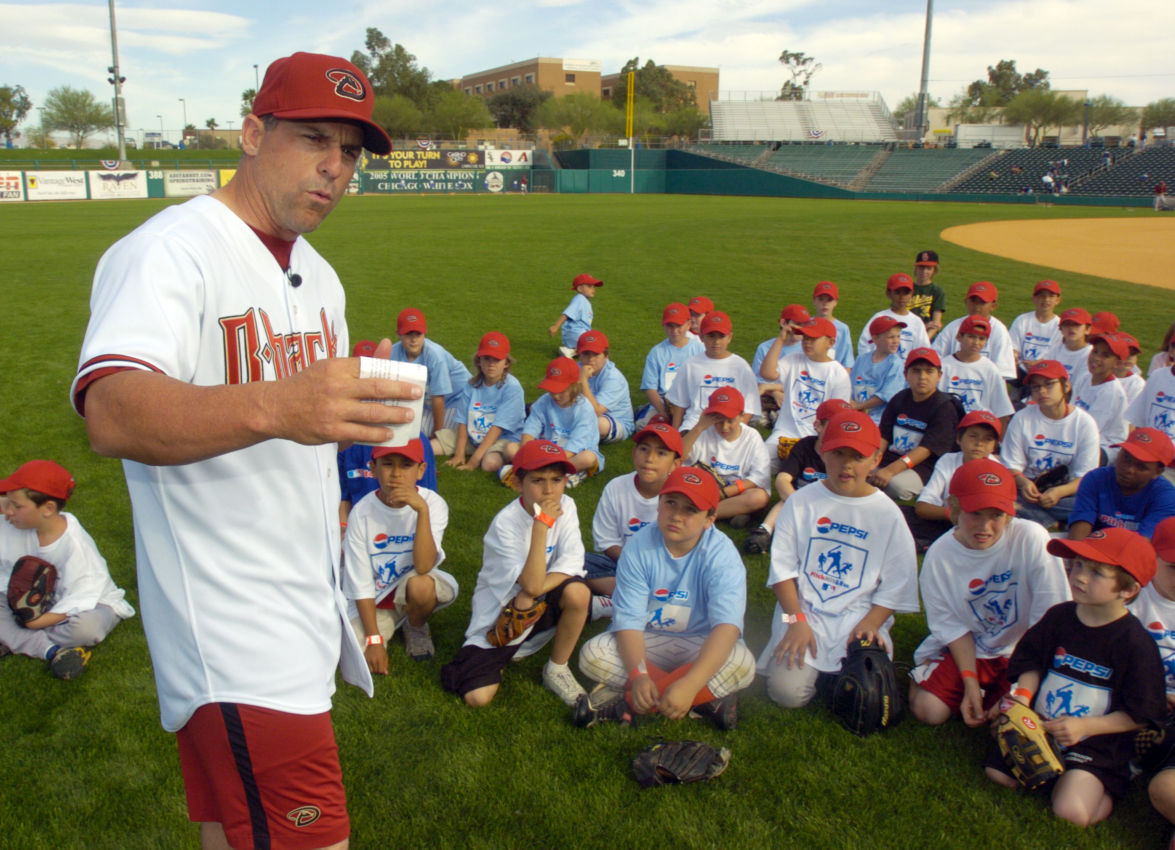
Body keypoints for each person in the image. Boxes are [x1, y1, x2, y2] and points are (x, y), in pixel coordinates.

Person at [71, 51, 414, 849]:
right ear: (253, 132)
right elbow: (112, 412)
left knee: (233, 837)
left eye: (352, 151)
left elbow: (302, 431)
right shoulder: (169, 250)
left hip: (297, 601)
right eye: (313, 138)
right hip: (230, 625)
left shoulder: (319, 276)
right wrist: (279, 403)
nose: (335, 167)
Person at [986, 529, 1165, 828]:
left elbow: (1143, 713)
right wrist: (1022, 700)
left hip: (1096, 742)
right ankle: (1065, 778)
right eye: (1078, 565)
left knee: (1071, 813)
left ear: (1128, 588)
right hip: (1041, 726)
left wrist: (1085, 726)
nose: (1079, 576)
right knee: (998, 775)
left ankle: (1109, 785)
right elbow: (1030, 660)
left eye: (1096, 572)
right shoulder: (1060, 616)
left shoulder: (1135, 643)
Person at [758, 410, 920, 709]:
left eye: (857, 457)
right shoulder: (800, 502)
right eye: (838, 454)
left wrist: (871, 623)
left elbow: (898, 582)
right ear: (823, 453)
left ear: (875, 459)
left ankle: (837, 674)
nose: (846, 465)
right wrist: (796, 621)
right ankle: (818, 672)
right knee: (787, 694)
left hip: (857, 612)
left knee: (864, 695)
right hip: (802, 608)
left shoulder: (887, 514)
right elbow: (782, 572)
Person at [574, 466, 756, 729]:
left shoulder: (722, 554)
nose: (677, 516)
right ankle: (705, 701)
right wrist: (638, 676)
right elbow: (629, 621)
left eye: (691, 510)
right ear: (659, 504)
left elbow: (726, 627)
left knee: (743, 663)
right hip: (648, 638)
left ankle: (625, 702)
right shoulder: (638, 546)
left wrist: (691, 682)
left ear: (710, 518)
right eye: (671, 503)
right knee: (592, 655)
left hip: (699, 640)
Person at [908, 458, 1070, 726]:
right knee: (929, 711)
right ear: (954, 509)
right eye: (975, 513)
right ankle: (926, 676)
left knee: (1009, 722)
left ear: (1010, 513)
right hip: (970, 648)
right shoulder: (940, 556)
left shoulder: (1031, 538)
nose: (985, 527)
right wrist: (970, 682)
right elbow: (953, 628)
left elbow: (1049, 621)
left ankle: (1000, 695)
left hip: (1021, 650)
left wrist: (1023, 691)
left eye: (996, 515)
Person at [440, 439, 591, 708]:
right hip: (502, 614)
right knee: (476, 697)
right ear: (518, 483)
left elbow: (570, 563)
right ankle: (515, 648)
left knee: (578, 592)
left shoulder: (567, 505)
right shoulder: (506, 523)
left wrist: (532, 593)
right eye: (537, 480)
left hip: (537, 598)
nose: (548, 491)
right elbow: (531, 583)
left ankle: (557, 668)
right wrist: (541, 526)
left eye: (556, 480)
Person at [0, 460, 135, 678]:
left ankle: (17, 639)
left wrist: (35, 623)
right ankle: (50, 650)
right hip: (24, 603)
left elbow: (81, 596)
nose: (9, 511)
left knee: (86, 629)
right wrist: (9, 502)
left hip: (84, 606)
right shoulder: (16, 521)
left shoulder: (75, 545)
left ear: (48, 509)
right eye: (8, 503)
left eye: (16, 505)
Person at [343, 439, 457, 666]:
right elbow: (360, 580)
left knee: (421, 585)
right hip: (377, 595)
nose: (396, 474)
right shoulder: (362, 512)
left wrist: (421, 511)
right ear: (373, 468)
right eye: (387, 464)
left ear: (421, 470)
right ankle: (389, 623)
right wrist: (374, 640)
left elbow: (424, 566)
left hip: (413, 583)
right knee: (353, 652)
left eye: (406, 465)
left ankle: (415, 625)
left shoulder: (433, 504)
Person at [585, 422, 683, 602]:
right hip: (623, 561)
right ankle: (638, 596)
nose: (650, 458)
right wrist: (635, 563)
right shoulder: (616, 487)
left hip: (665, 567)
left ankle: (620, 598)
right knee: (577, 562)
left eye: (661, 453)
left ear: (676, 464)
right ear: (634, 453)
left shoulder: (681, 498)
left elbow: (684, 549)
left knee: (684, 576)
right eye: (644, 449)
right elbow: (606, 540)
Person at [742, 398, 853, 555]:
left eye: (844, 427)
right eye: (834, 426)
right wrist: (799, 503)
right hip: (801, 499)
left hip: (832, 503)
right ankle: (764, 531)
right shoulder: (805, 446)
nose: (839, 432)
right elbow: (782, 479)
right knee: (784, 502)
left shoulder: (848, 456)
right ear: (818, 426)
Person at [1003, 360, 1100, 529]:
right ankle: (1053, 523)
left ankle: (1035, 519)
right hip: (1028, 490)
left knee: (1093, 505)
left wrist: (1059, 492)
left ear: (1066, 386)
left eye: (1049, 384)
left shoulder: (1084, 423)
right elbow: (1011, 466)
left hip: (1066, 493)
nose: (1042, 391)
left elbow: (1085, 477)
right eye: (1035, 387)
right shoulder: (1022, 418)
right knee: (1003, 496)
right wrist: (1024, 483)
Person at [904, 410, 1005, 551]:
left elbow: (997, 517)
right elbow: (922, 507)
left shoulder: (998, 471)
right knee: (902, 514)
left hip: (980, 525)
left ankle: (935, 543)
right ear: (959, 439)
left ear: (994, 445)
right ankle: (938, 541)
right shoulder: (948, 460)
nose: (979, 443)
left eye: (987, 439)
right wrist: (952, 514)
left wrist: (963, 517)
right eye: (973, 436)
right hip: (948, 519)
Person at [871, 347, 961, 501]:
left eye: (929, 371)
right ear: (906, 375)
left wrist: (890, 471)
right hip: (891, 457)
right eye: (916, 371)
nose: (922, 377)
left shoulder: (945, 407)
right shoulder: (900, 398)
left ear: (939, 376)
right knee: (860, 470)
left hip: (923, 467)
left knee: (895, 486)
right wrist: (872, 462)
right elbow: (884, 436)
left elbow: (926, 450)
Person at [432, 331, 525, 475]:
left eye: (497, 359)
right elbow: (462, 422)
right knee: (431, 446)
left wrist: (473, 461)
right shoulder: (472, 384)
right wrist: (459, 454)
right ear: (479, 361)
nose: (491, 364)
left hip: (501, 439)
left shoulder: (512, 387)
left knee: (489, 464)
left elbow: (497, 429)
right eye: (486, 358)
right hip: (473, 437)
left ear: (506, 363)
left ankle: (509, 466)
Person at [761, 317, 851, 464]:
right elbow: (767, 374)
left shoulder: (838, 374)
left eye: (813, 338)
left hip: (816, 440)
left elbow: (838, 417)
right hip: (784, 433)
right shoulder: (794, 359)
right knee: (757, 463)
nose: (807, 342)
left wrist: (819, 443)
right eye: (805, 337)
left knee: (807, 478)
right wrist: (780, 339)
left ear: (831, 343)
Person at [504, 356, 602, 487]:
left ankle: (534, 473)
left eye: (561, 391)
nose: (555, 395)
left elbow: (575, 446)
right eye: (551, 389)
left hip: (572, 454)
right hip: (547, 451)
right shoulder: (544, 401)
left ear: (575, 387)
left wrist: (542, 462)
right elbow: (529, 430)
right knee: (510, 449)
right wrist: (529, 453)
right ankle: (558, 475)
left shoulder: (584, 409)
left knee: (588, 458)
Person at [681, 387, 771, 527]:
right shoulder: (704, 431)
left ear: (742, 415)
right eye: (719, 421)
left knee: (758, 498)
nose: (724, 427)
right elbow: (680, 457)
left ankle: (700, 514)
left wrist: (724, 493)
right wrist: (699, 427)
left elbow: (759, 476)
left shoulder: (752, 437)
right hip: (704, 488)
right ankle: (730, 512)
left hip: (736, 492)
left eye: (730, 421)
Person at [1067, 428, 1175, 541]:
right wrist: (1078, 556)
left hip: (1136, 554)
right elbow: (1080, 528)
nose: (1129, 469)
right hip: (1093, 547)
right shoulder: (1096, 478)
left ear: (1157, 472)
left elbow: (1143, 546)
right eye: (1126, 459)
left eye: (1141, 467)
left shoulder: (1166, 496)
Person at [1137, 518, 1175, 837]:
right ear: (1154, 555)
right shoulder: (1131, 596)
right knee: (1165, 787)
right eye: (1174, 567)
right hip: (1147, 711)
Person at [665, 311, 761, 432]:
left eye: (721, 336)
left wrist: (734, 429)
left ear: (729, 337)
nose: (716, 341)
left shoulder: (741, 367)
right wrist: (675, 434)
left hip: (728, 426)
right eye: (711, 336)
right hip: (695, 424)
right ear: (701, 337)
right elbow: (679, 404)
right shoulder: (690, 365)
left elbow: (749, 408)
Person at [390, 307, 470, 439]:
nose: (414, 339)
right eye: (409, 334)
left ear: (425, 334)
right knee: (401, 426)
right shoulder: (393, 353)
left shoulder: (434, 356)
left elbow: (438, 398)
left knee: (416, 432)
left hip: (458, 401)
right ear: (399, 334)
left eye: (418, 334)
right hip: (427, 404)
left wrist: (436, 434)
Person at [635, 302, 704, 427]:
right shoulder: (657, 352)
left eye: (679, 326)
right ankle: (646, 412)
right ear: (664, 326)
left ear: (688, 325)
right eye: (670, 326)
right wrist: (664, 412)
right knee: (647, 428)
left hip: (691, 404)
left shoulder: (699, 350)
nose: (674, 331)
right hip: (663, 404)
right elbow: (650, 388)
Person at [933, 281, 1016, 381]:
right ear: (966, 302)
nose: (976, 306)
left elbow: (1002, 372)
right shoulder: (953, 327)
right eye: (973, 301)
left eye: (982, 302)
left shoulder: (999, 331)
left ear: (993, 306)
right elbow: (935, 359)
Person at [937, 315, 1014, 422]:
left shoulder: (990, 369)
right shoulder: (944, 366)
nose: (976, 342)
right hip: (947, 425)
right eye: (971, 336)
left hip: (978, 428)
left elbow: (1002, 411)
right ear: (959, 337)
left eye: (981, 338)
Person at [1071, 332, 1130, 460]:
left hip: (1104, 446)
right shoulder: (1085, 378)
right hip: (1080, 435)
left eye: (1105, 355)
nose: (1096, 358)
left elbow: (1091, 430)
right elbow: (1071, 411)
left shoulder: (1111, 392)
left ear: (1118, 364)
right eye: (1095, 351)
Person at [575, 330, 634, 444]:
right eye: (586, 353)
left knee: (597, 424)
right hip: (583, 413)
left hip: (615, 420)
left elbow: (595, 411)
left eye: (596, 354)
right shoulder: (576, 368)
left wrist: (582, 380)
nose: (591, 359)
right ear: (579, 354)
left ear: (606, 355)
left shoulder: (613, 378)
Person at [857, 273, 931, 359]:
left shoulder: (916, 321)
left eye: (906, 293)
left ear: (912, 294)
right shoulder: (879, 317)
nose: (902, 297)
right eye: (897, 292)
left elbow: (923, 350)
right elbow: (865, 344)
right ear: (888, 293)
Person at [1009, 280, 1063, 397]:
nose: (1046, 300)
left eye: (1051, 296)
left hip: (1046, 374)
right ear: (1034, 299)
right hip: (1021, 373)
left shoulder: (1060, 325)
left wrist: (1039, 363)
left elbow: (1057, 354)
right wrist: (1015, 357)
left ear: (1058, 300)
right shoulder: (1022, 320)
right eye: (1042, 296)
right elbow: (1013, 347)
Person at [849, 315, 907, 424]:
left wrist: (859, 406)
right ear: (875, 339)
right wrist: (851, 402)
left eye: (898, 336)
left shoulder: (896, 364)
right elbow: (849, 385)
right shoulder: (862, 359)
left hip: (878, 420)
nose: (896, 341)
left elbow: (886, 395)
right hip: (855, 414)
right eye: (891, 337)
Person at [548, 273, 601, 358]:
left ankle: (572, 348)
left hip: (575, 334)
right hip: (576, 333)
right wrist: (555, 326)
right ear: (580, 288)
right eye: (589, 286)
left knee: (594, 344)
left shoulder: (583, 300)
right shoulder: (580, 299)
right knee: (595, 346)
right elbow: (567, 314)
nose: (593, 289)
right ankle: (570, 351)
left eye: (593, 286)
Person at [810, 280, 854, 369]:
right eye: (821, 299)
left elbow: (847, 363)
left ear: (835, 302)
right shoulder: (806, 325)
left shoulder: (843, 329)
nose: (825, 303)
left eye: (829, 300)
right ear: (814, 300)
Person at [1043, 307, 1093, 383]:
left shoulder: (1090, 355)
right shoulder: (1055, 350)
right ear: (1060, 329)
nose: (1071, 328)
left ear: (1087, 329)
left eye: (1077, 325)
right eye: (1067, 324)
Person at [910, 249, 946, 341]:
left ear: (935, 270)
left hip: (928, 337)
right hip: (907, 333)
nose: (924, 271)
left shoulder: (937, 291)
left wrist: (923, 341)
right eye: (921, 267)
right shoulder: (907, 288)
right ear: (916, 268)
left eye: (929, 268)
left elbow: (936, 323)